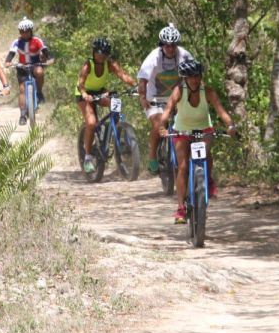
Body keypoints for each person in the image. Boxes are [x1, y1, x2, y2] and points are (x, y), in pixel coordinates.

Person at [158, 60, 235, 224]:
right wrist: (162, 127)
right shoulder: (179, 91)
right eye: (191, 77)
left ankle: (208, 179)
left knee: (206, 155)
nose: (195, 80)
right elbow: (167, 110)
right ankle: (180, 207)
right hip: (182, 130)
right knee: (183, 166)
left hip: (204, 129)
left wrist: (230, 125)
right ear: (185, 78)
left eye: (197, 76)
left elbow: (221, 111)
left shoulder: (208, 92)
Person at [137, 23, 194, 174]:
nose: (170, 49)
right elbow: (142, 80)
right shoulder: (153, 57)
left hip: (176, 98)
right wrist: (142, 97)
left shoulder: (184, 55)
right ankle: (152, 156)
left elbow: (195, 75)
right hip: (154, 98)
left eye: (173, 46)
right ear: (161, 45)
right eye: (167, 46)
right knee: (159, 125)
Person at [76, 37, 137, 174]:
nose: (101, 56)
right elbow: (81, 83)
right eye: (99, 53)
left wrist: (136, 85)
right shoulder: (88, 65)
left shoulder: (109, 64)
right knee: (91, 123)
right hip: (83, 94)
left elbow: (123, 75)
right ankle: (87, 157)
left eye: (104, 54)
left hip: (99, 92)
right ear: (93, 52)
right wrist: (85, 94)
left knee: (116, 102)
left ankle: (114, 128)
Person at [4, 16, 52, 126]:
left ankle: (39, 92)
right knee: (22, 90)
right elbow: (11, 54)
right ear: (20, 32)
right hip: (22, 67)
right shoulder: (17, 42)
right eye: (22, 32)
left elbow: (45, 51)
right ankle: (22, 114)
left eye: (27, 31)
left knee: (39, 72)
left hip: (35, 65)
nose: (24, 34)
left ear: (31, 31)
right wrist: (7, 62)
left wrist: (50, 59)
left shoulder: (37, 41)